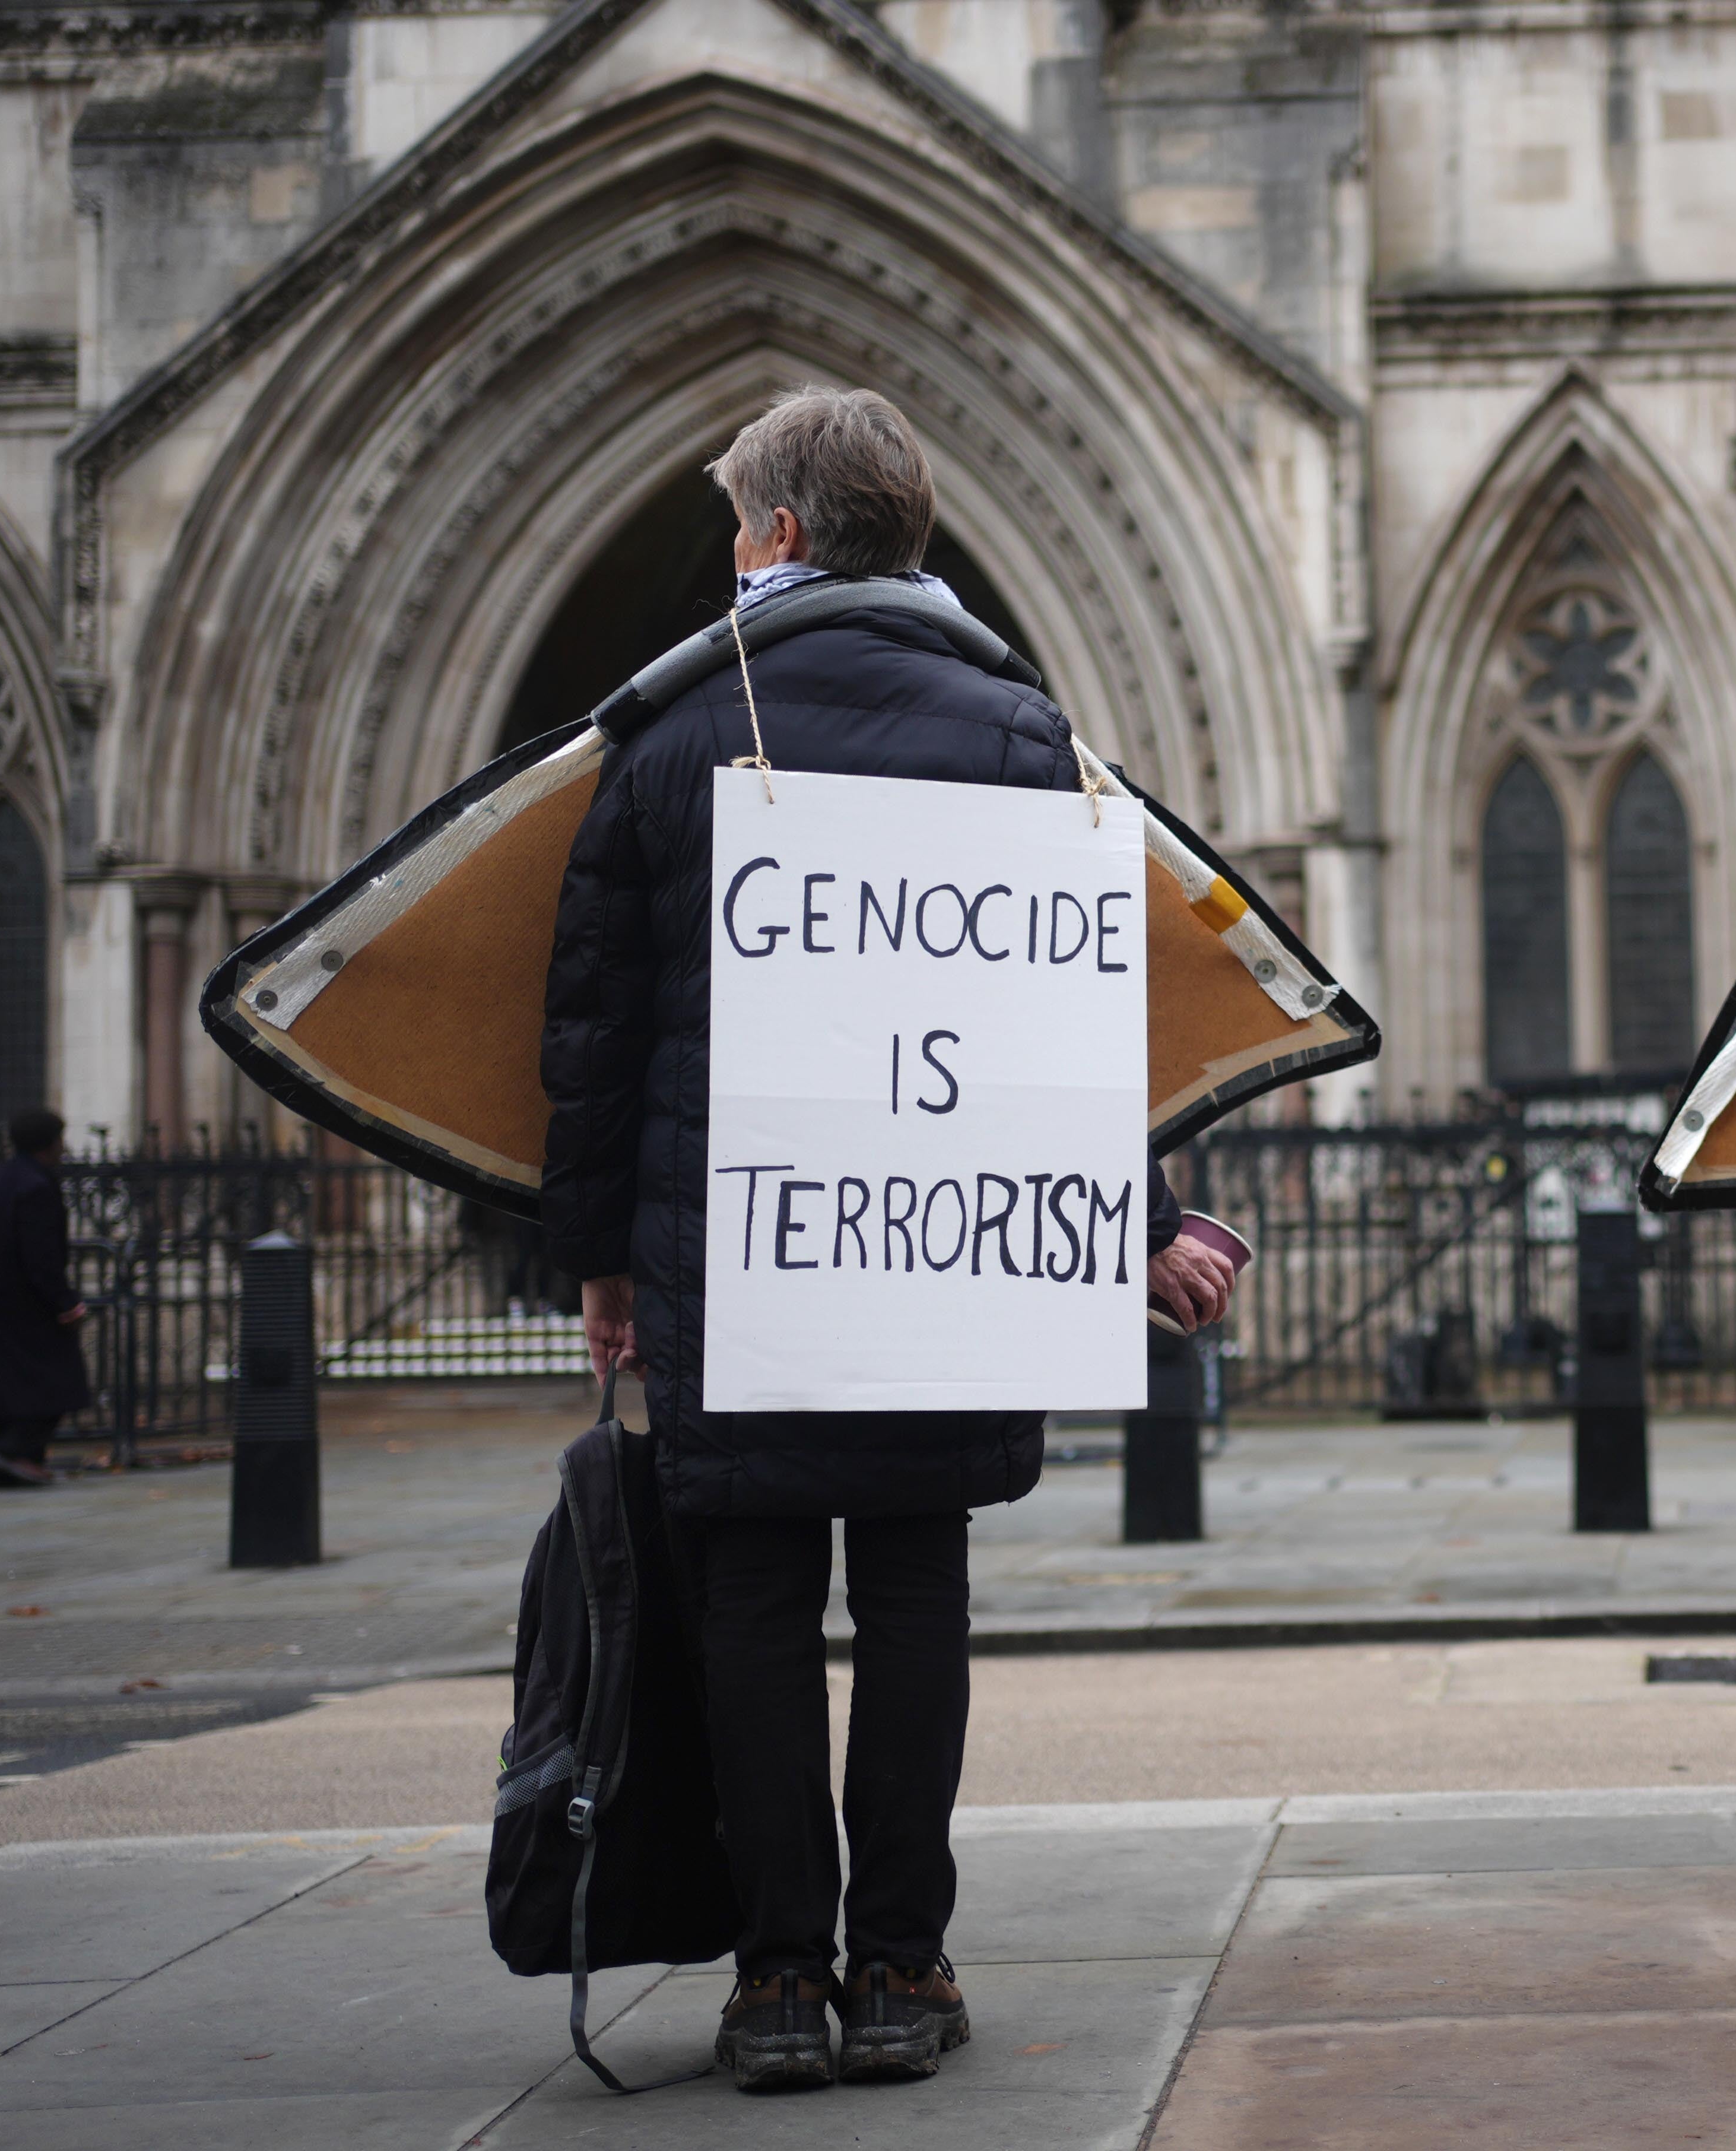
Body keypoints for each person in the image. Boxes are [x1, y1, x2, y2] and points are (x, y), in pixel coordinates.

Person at [539, 386, 1237, 2093]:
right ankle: (906, 1967)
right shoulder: (1018, 733)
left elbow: (595, 1036)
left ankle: (781, 1983)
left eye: (731, 523)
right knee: (919, 1596)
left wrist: (604, 1265)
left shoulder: (671, 741)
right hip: (941, 1261)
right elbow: (1077, 1019)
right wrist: (1132, 1230)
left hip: (742, 1260)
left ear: (776, 538)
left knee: (760, 1605)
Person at [0, 1107, 93, 1487]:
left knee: (9, 1386)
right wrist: (65, 1302)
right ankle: (10, 1449)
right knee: (58, 1381)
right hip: (29, 1304)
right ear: (51, 1144)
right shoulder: (36, 1186)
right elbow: (41, 1254)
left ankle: (19, 1462)